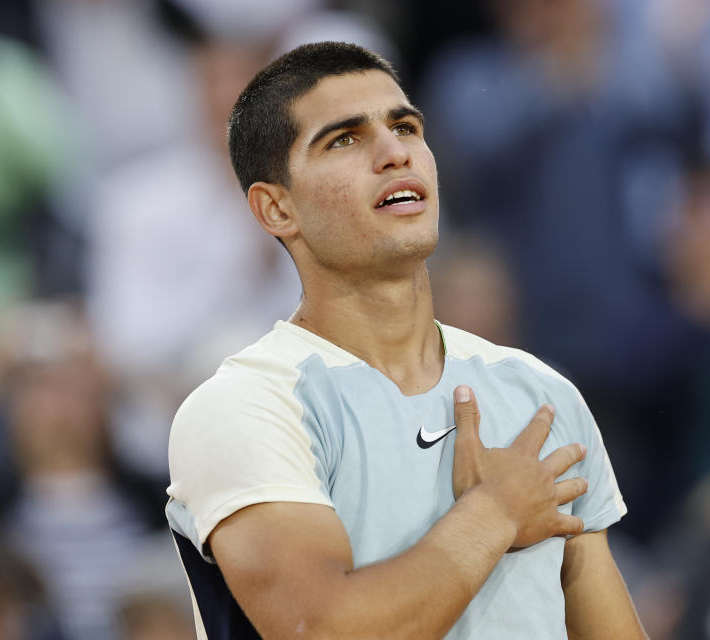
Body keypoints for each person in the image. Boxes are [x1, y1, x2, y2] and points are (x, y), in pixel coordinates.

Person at [166, 41, 646, 639]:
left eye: (405, 127)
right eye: (344, 139)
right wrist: (493, 513)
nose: (394, 153)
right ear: (276, 208)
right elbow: (325, 630)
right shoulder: (245, 408)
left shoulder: (538, 392)